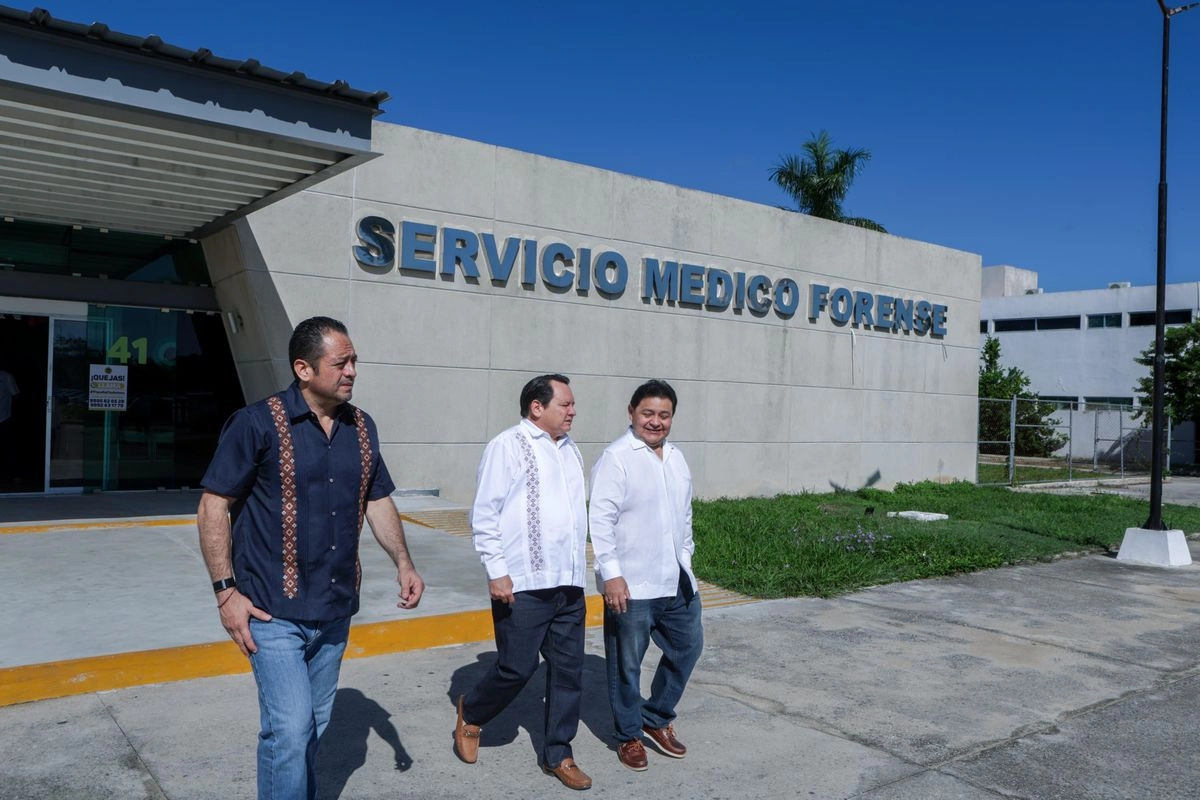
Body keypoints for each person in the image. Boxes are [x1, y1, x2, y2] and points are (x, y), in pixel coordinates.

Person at [197, 316, 424, 800]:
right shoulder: (256, 423)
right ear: (303, 368)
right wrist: (225, 593)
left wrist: (403, 562)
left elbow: (376, 497)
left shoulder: (362, 427)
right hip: (270, 608)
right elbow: (213, 505)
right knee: (291, 729)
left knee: (310, 726)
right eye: (341, 362)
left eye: (354, 361)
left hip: (335, 607)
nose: (352, 371)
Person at [454, 373, 592, 791]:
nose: (572, 411)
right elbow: (485, 514)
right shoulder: (506, 446)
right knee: (517, 667)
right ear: (537, 407)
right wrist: (497, 571)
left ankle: (559, 753)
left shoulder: (572, 451)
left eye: (571, 405)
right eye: (564, 404)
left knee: (568, 672)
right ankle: (472, 713)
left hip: (568, 583)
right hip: (523, 582)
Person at [588, 379, 703, 772]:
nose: (656, 422)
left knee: (687, 648)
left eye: (664, 415)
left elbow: (684, 516)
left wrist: (686, 555)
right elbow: (599, 521)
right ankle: (629, 734)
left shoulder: (677, 458)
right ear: (631, 413)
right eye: (648, 413)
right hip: (632, 583)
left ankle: (656, 718)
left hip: (676, 578)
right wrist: (612, 575)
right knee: (627, 665)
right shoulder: (617, 458)